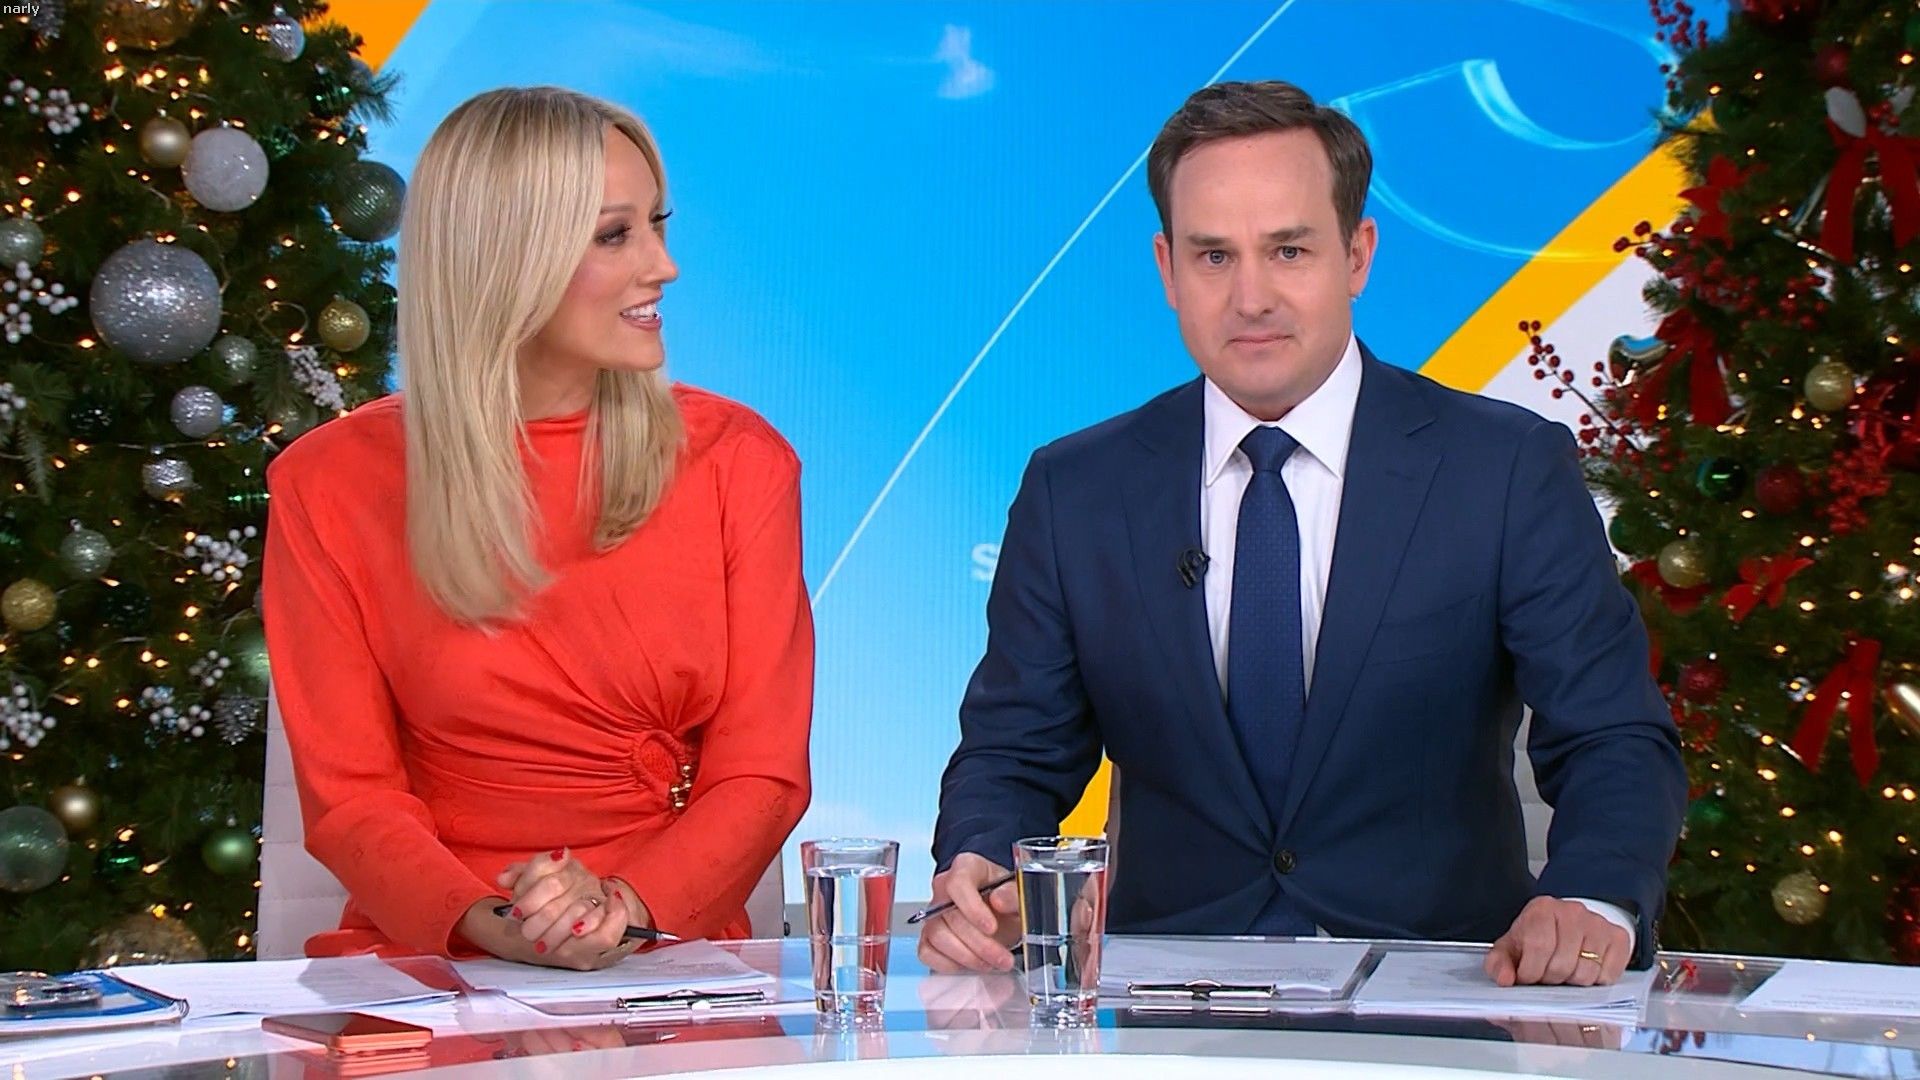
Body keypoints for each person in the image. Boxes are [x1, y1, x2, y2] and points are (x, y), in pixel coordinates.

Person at [923, 80, 1685, 987]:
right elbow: (1015, 751)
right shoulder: (1076, 490)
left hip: (1445, 991)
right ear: (1166, 268)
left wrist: (1592, 898)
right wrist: (981, 864)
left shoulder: (1503, 469)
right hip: (1167, 995)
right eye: (1214, 256)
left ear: (1357, 255)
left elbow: (1611, 734)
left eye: (1288, 250)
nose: (1251, 297)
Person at [263, 87, 812, 969]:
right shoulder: (327, 483)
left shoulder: (739, 461)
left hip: (665, 957)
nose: (665, 267)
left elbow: (764, 774)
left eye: (657, 226)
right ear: (505, 256)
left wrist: (623, 909)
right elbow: (352, 797)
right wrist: (496, 923)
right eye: (614, 235)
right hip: (440, 957)